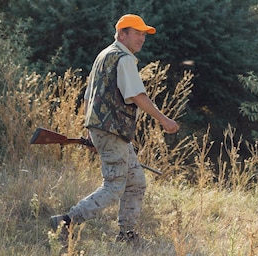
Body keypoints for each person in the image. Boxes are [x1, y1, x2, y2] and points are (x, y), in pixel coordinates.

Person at [50, 14, 180, 243]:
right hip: (113, 132)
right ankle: (66, 221)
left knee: (136, 182)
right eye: (137, 33)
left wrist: (91, 131)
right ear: (122, 34)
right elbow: (137, 95)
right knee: (114, 186)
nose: (141, 38)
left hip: (109, 132)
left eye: (143, 34)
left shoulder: (104, 55)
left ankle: (126, 234)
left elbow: (90, 96)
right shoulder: (124, 58)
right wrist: (164, 120)